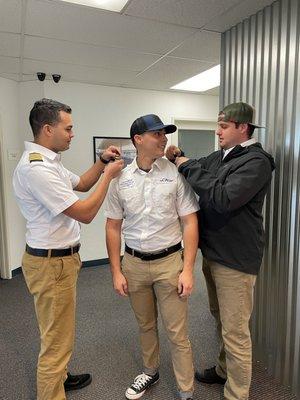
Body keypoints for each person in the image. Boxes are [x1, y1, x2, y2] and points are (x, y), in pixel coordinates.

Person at [13, 98, 124, 400]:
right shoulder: (37, 169)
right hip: (51, 265)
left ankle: (61, 377)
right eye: (69, 128)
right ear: (48, 129)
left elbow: (84, 184)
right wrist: (110, 176)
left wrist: (101, 163)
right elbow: (86, 212)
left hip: (59, 261)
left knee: (58, 331)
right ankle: (51, 392)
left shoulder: (50, 162)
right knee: (56, 342)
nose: (73, 134)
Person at [166, 102, 275, 400]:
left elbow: (224, 197)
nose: (217, 131)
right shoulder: (223, 156)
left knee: (236, 331)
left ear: (243, 128)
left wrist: (184, 164)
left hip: (236, 260)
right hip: (213, 254)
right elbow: (200, 166)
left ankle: (237, 394)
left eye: (224, 126)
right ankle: (224, 369)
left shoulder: (257, 161)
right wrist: (179, 155)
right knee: (220, 319)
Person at [105, 114, 199, 400]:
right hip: (133, 263)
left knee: (177, 332)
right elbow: (112, 227)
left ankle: (186, 389)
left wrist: (188, 270)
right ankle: (150, 371)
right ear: (138, 139)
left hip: (170, 262)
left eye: (164, 134)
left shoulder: (174, 174)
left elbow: (190, 222)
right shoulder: (119, 179)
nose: (164, 139)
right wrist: (116, 271)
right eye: (157, 134)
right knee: (145, 325)